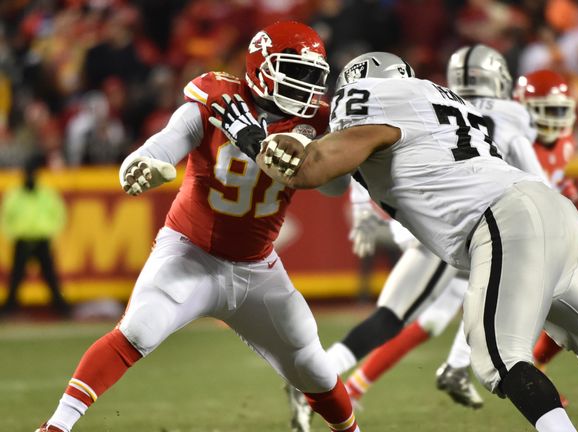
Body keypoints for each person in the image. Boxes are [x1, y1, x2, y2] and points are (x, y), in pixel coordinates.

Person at [217, 51, 578, 431]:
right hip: (552, 214)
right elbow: (332, 173)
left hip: (500, 220)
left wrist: (249, 135)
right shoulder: (439, 98)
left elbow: (312, 169)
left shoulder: (370, 98)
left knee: (500, 359)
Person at [35, 21, 360, 432]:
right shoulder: (216, 98)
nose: (307, 86)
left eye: (312, 75)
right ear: (262, 67)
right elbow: (165, 143)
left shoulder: (318, 121)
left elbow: (336, 187)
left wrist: (316, 156)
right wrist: (143, 165)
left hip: (257, 267)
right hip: (189, 251)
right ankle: (55, 428)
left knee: (312, 362)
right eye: (296, 72)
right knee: (138, 330)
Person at [342, 64, 578, 410]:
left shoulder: (553, 141)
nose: (553, 120)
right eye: (546, 110)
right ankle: (461, 368)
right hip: (474, 225)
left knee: (437, 317)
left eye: (560, 110)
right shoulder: (510, 130)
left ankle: (359, 385)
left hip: (489, 227)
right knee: (531, 297)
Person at [0, 154, 69, 318]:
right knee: (16, 278)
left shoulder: (45, 194)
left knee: (50, 277)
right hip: (22, 241)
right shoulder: (15, 195)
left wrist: (49, 233)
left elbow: (59, 215)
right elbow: (5, 218)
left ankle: (62, 308)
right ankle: (9, 309)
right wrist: (14, 235)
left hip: (41, 240)